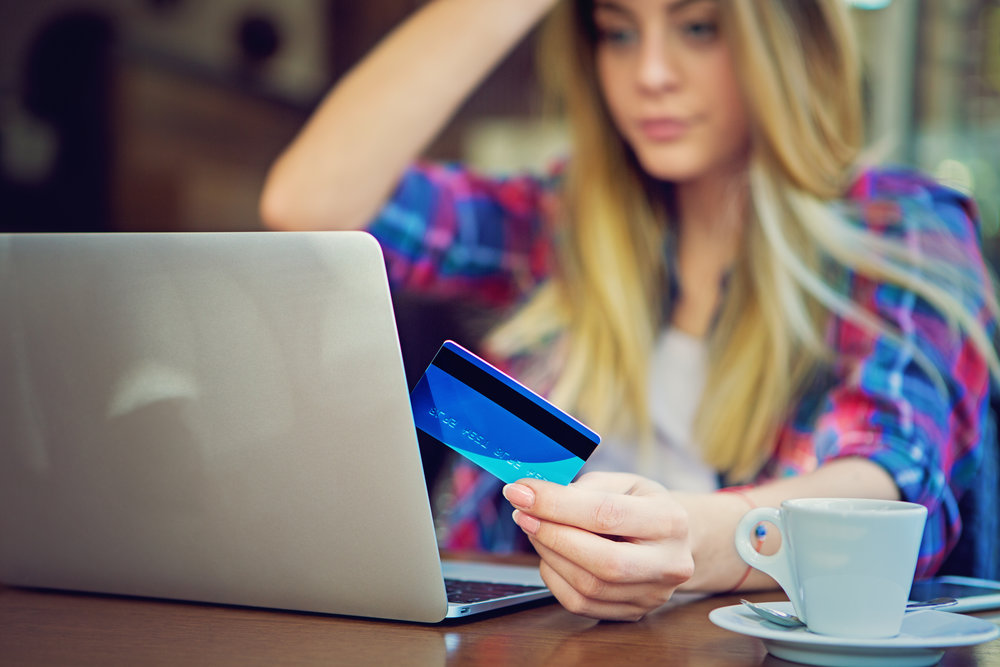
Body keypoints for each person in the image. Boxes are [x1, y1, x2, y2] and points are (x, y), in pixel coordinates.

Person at [260, 0, 999, 621]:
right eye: (617, 31)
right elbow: (307, 205)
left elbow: (892, 478)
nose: (650, 75)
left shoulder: (901, 224)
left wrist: (692, 539)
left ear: (788, 41)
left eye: (698, 27)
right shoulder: (563, 220)